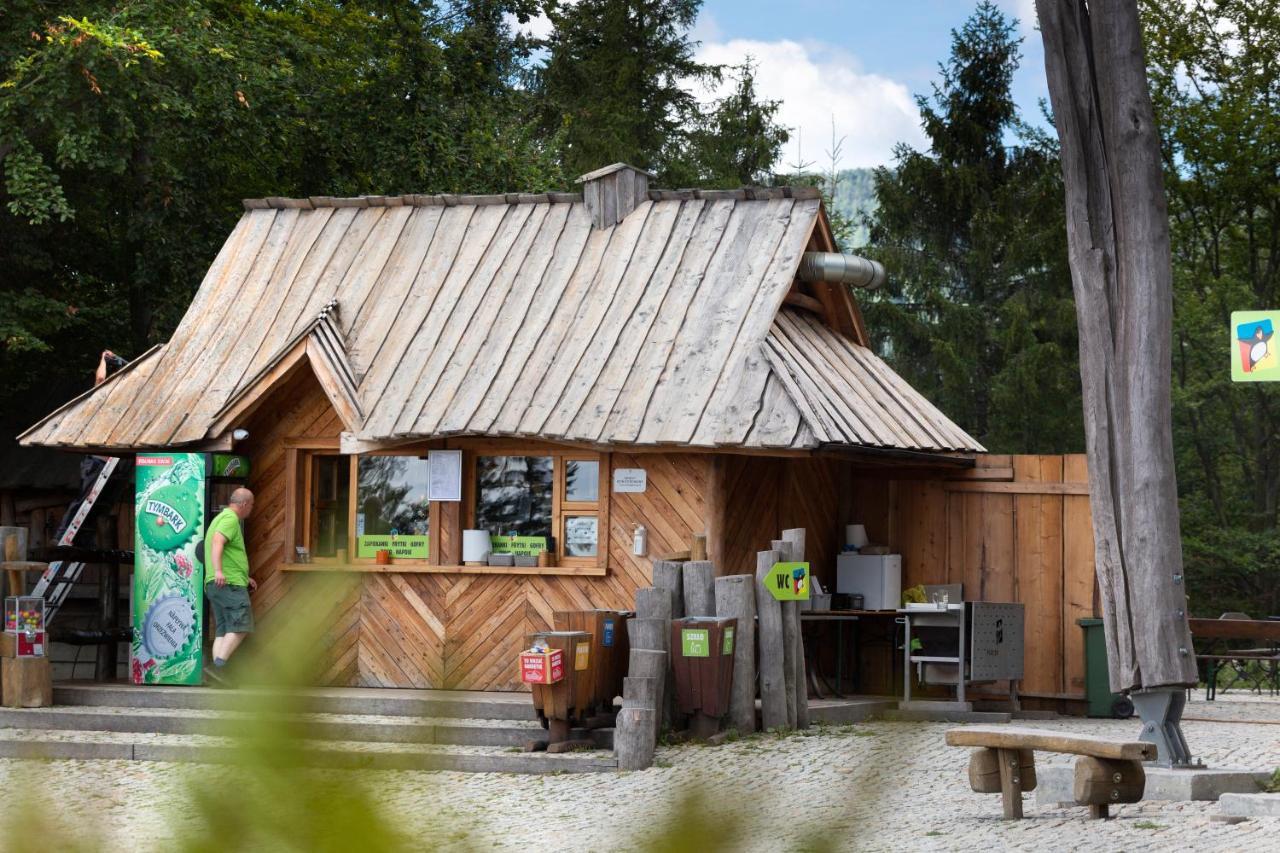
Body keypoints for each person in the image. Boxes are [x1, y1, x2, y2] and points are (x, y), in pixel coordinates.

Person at [204, 488, 257, 684]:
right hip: (227, 584)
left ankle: (217, 677)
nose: (251, 510)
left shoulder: (219, 518)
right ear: (244, 504)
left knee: (223, 629)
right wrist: (219, 571)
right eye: (251, 505)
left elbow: (227, 553)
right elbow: (218, 542)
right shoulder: (230, 519)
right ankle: (218, 667)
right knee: (242, 626)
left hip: (218, 584)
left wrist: (245, 577)